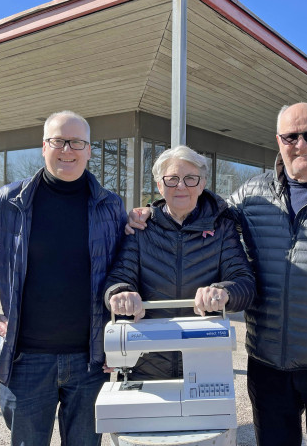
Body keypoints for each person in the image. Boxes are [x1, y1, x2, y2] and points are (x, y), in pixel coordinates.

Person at [128, 101, 307, 445]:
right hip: (268, 365)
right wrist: (150, 213)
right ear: (279, 141)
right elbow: (203, 211)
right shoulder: (252, 193)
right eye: (291, 137)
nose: (301, 144)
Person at [0, 111, 127, 446]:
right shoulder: (8, 202)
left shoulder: (110, 207)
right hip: (25, 362)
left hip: (91, 363)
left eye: (77, 142)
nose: (67, 150)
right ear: (43, 147)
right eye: (58, 140)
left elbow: (126, 268)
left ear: (89, 150)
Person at [106, 145, 255, 380]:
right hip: (147, 365)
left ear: (202, 183)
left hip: (204, 364)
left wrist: (223, 293)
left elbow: (245, 284)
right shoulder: (140, 229)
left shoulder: (222, 229)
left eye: (190, 178)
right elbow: (118, 279)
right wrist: (122, 293)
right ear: (159, 185)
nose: (181, 186)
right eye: (172, 179)